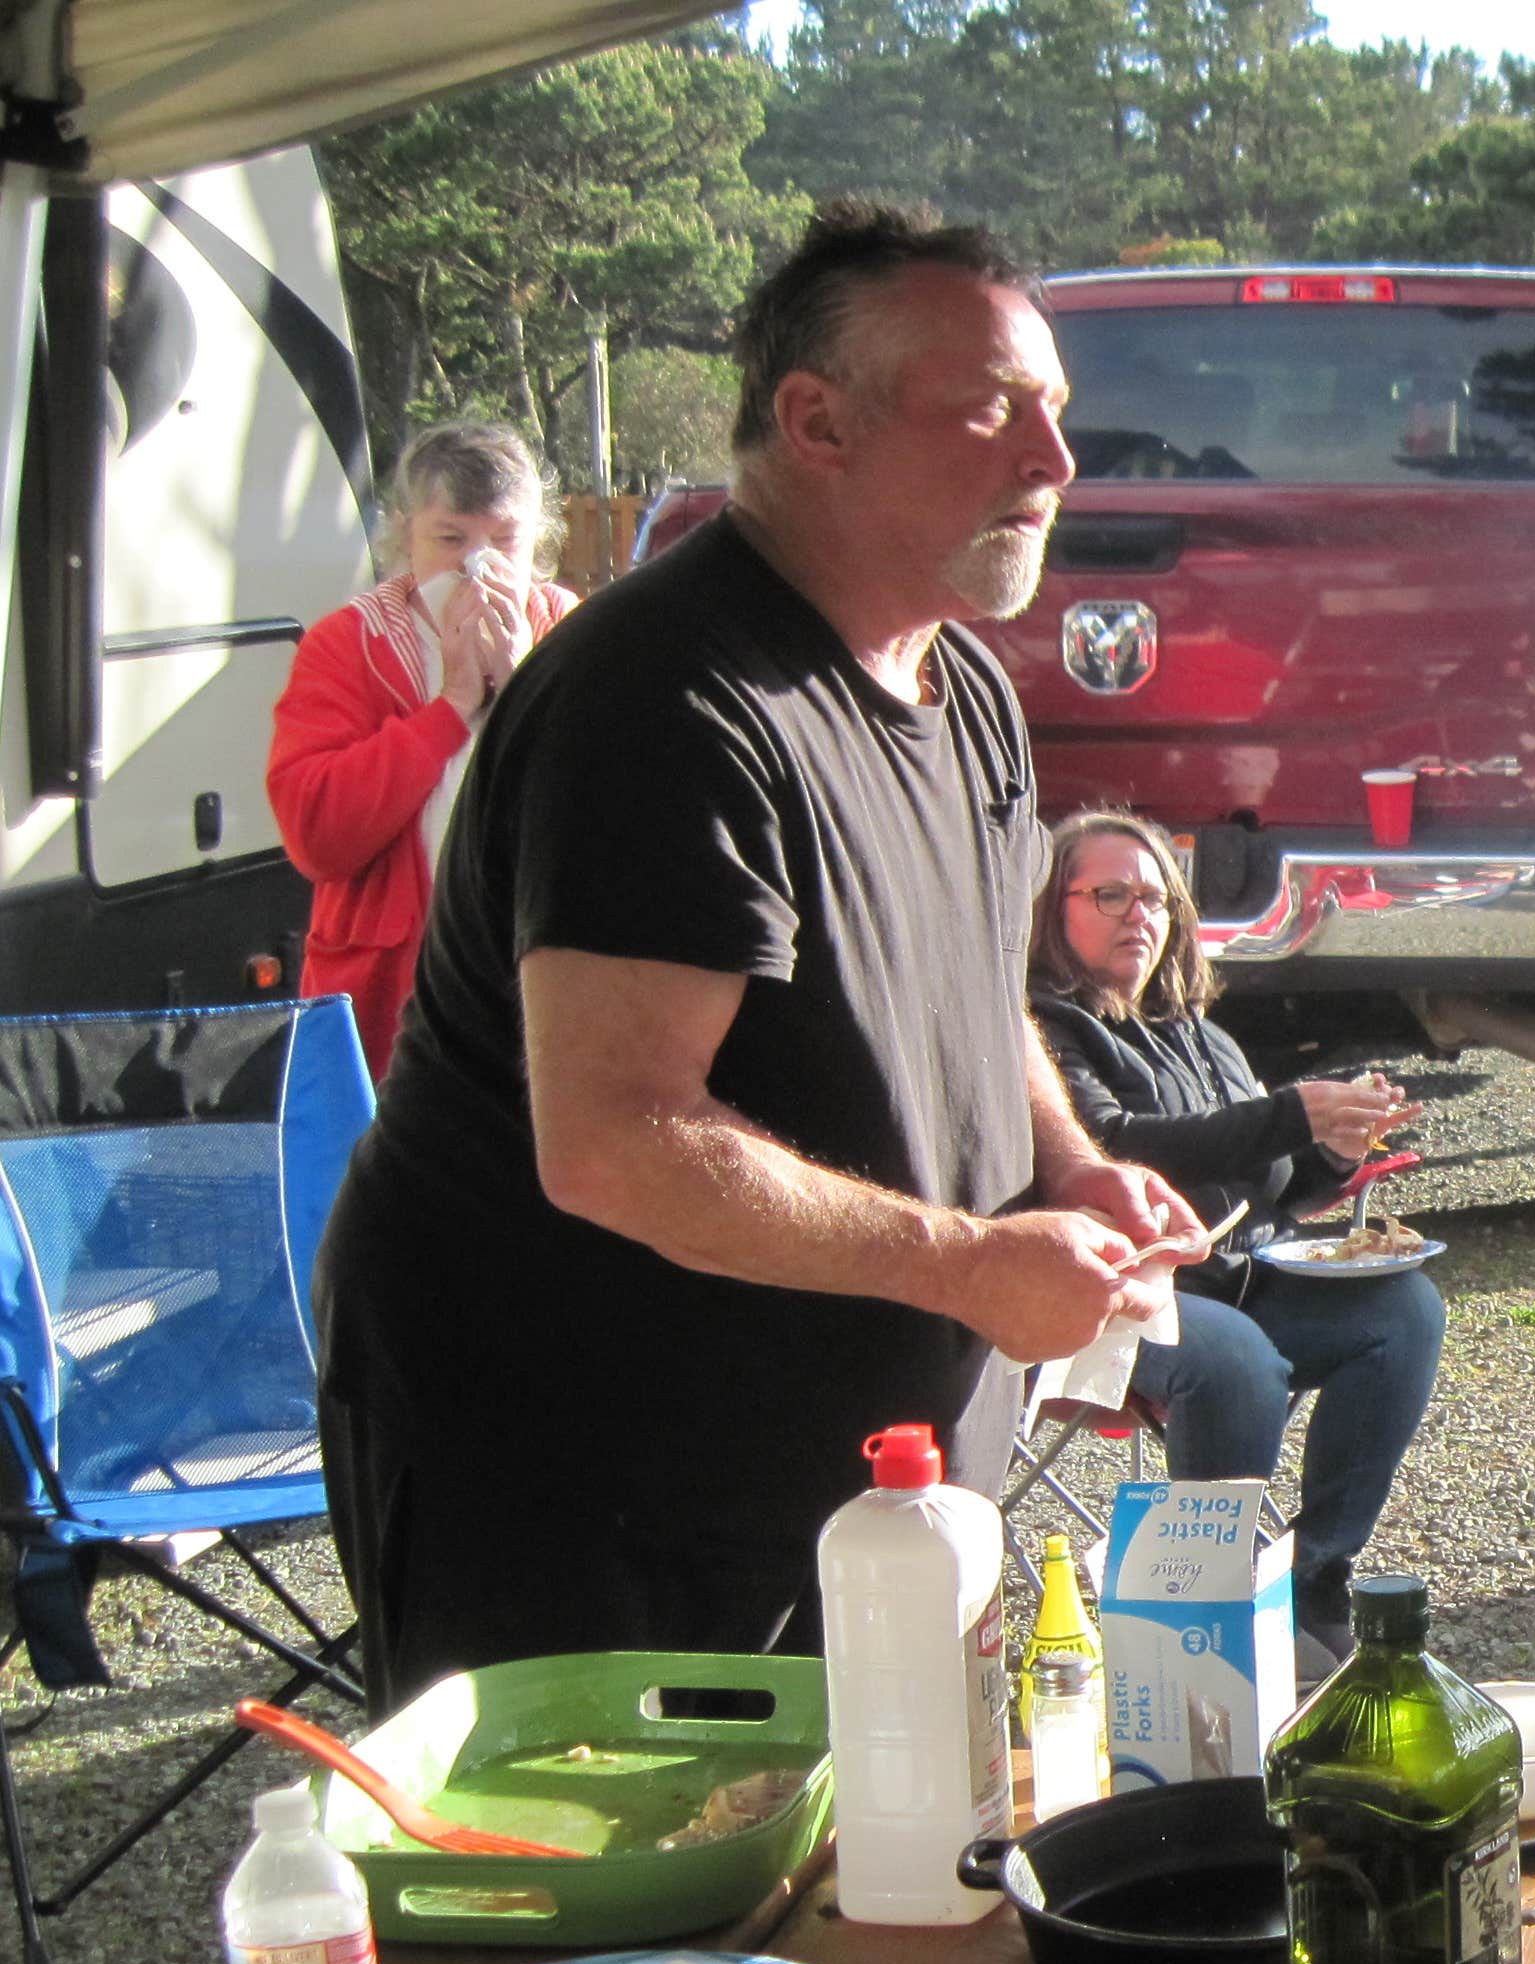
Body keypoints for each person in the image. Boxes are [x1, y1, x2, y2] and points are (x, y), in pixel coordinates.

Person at [313, 202, 1191, 1707]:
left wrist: (1062, 1163)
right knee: (626, 1929)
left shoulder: (961, 689)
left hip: (855, 1493)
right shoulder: (663, 701)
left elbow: (977, 992)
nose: (1050, 464)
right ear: (815, 422)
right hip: (589, 1486)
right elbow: (614, 1138)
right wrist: (971, 1262)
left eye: (1055, 413)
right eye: (990, 412)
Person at [1028, 807, 1442, 1664]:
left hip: (1236, 1280)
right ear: (1052, 908)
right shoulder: (1046, 1030)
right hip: (1112, 1293)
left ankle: (1312, 1576)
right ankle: (1216, 1620)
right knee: (1238, 1361)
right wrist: (1287, 1112)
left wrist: (1326, 1152)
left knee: (1402, 1309)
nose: (1138, 913)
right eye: (1109, 894)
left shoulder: (1204, 1035)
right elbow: (1119, 1145)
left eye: (1154, 898)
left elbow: (1270, 1195)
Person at [266, 423, 580, 1074]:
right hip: (389, 1009)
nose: (479, 565)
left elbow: (613, 811)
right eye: (451, 539)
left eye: (503, 541)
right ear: (405, 537)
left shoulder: (572, 632)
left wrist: (523, 686)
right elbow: (316, 833)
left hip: (541, 996)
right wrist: (449, 707)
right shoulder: (348, 645)